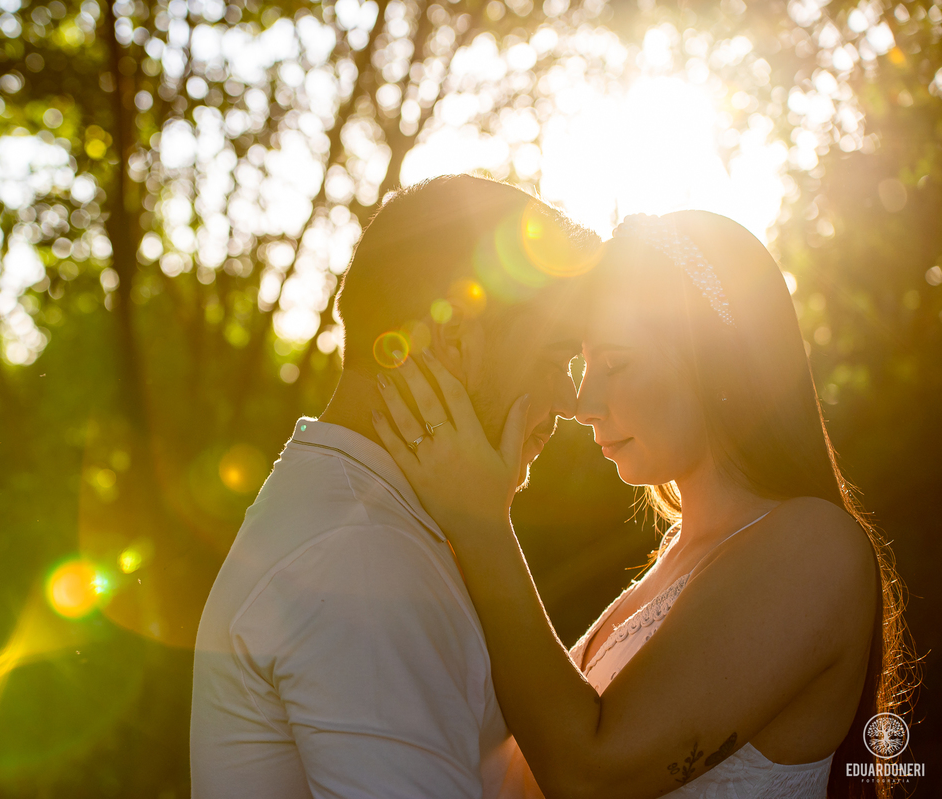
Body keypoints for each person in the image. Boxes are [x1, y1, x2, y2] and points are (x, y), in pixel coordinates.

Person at [370, 210, 914, 798]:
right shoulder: (672, 559)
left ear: (716, 357)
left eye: (616, 363)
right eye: (583, 364)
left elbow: (590, 773)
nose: (583, 402)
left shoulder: (815, 549)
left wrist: (480, 525)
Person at [190, 174, 602, 797]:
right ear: (453, 337)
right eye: (553, 358)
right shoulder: (362, 557)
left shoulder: (352, 506)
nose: (571, 399)